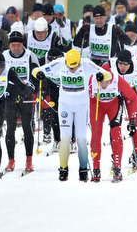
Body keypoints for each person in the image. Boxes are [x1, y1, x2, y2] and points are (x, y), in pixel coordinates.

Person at [35, 49, 110, 181]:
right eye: (70, 67)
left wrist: (101, 76)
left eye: (75, 67)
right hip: (65, 104)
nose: (72, 69)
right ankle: (63, 170)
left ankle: (83, 170)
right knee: (65, 138)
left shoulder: (86, 63)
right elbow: (37, 70)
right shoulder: (59, 63)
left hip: (82, 105)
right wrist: (39, 74)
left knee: (81, 139)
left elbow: (106, 74)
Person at [87, 51, 137, 183]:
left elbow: (133, 98)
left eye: (108, 82)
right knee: (96, 135)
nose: (105, 85)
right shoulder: (92, 80)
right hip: (97, 105)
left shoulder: (117, 79)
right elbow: (82, 99)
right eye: (103, 83)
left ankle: (117, 167)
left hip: (113, 105)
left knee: (116, 132)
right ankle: (96, 169)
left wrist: (132, 118)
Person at [1, 30, 41, 175]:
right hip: (11, 95)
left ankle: (29, 160)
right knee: (10, 128)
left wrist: (31, 86)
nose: (16, 48)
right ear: (9, 45)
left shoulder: (30, 55)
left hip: (26, 95)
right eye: (13, 45)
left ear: (22, 45)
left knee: (27, 127)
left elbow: (37, 74)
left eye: (18, 45)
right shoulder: (4, 56)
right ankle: (11, 160)